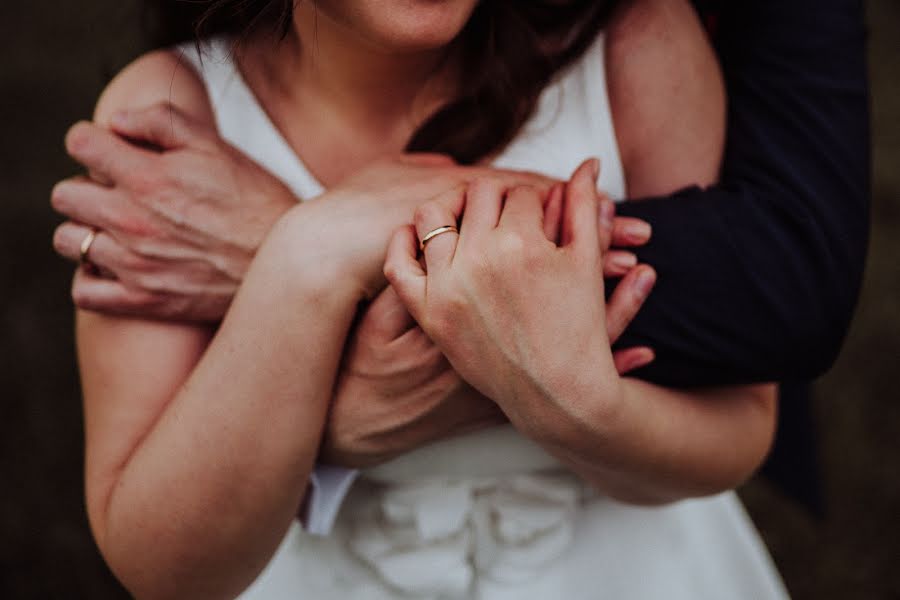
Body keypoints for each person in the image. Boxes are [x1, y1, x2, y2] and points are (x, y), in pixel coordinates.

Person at [53, 0, 807, 597]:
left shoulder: (634, 43)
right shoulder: (174, 110)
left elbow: (741, 425)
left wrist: (576, 407)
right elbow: (164, 566)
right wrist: (302, 256)